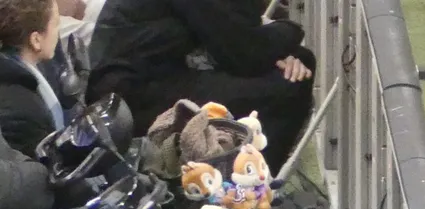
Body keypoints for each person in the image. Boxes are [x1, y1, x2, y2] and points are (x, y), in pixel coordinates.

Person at [86, 0, 313, 171]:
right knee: (288, 84)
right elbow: (245, 54)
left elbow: (240, 35)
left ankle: (245, 177)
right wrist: (292, 31)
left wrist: (283, 49)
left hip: (140, 83)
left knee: (297, 62)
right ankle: (247, 190)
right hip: (134, 97)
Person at [0, 0, 68, 160]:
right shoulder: (21, 111)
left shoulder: (37, 68)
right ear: (36, 40)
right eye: (56, 24)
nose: (58, 32)